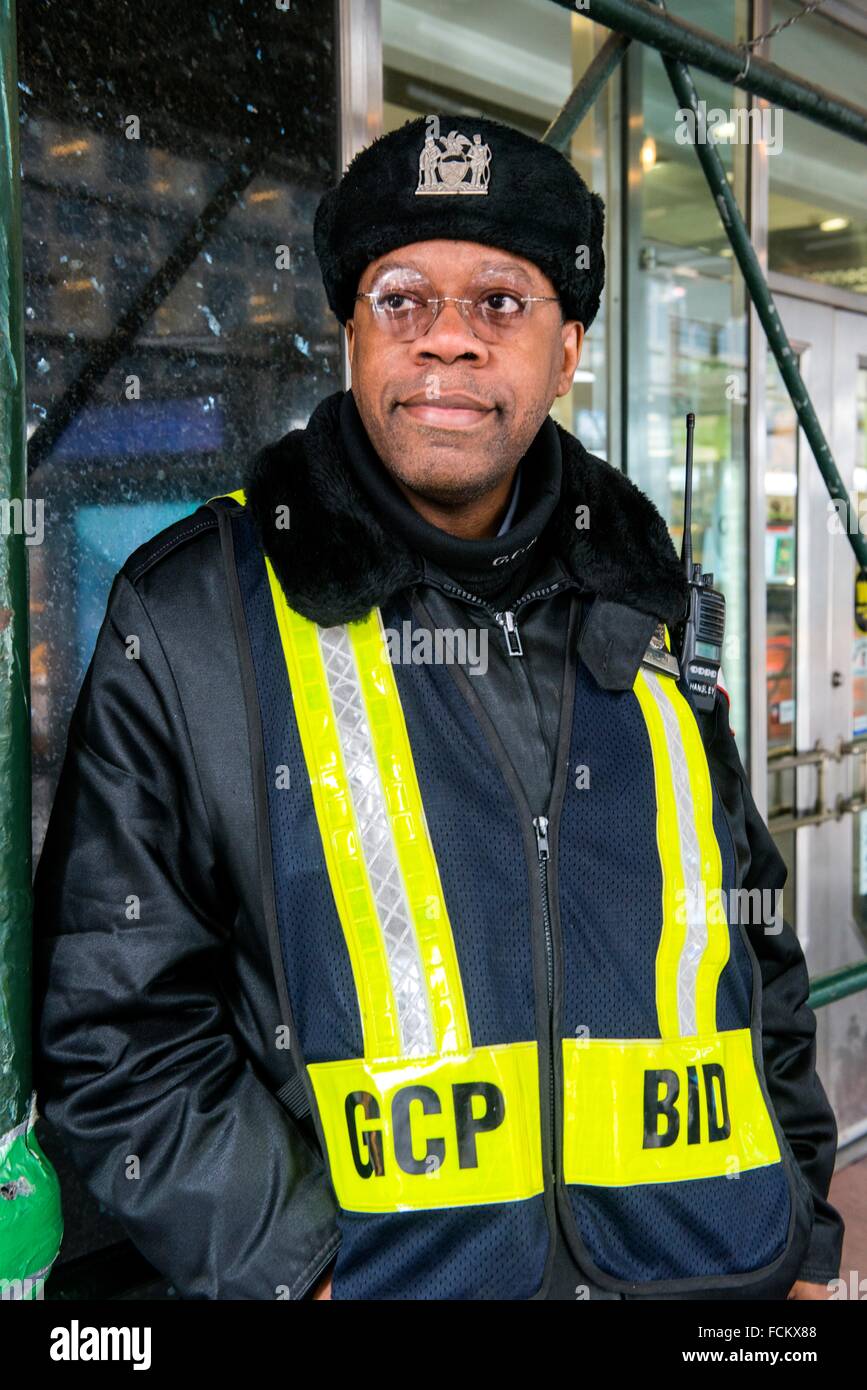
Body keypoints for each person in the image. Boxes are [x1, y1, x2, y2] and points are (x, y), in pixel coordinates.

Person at [33, 112, 843, 1301]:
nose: (449, 343)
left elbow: (750, 945)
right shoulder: (195, 613)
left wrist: (801, 1238)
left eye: (500, 303)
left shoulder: (655, 598)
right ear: (349, 334)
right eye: (403, 299)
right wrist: (297, 1272)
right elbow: (115, 1026)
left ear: (568, 352)